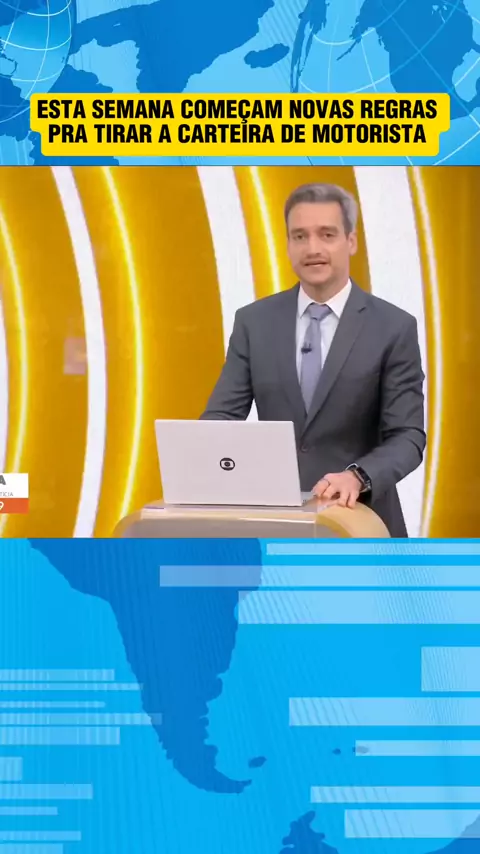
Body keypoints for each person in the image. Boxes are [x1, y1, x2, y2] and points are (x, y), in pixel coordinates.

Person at [200, 182, 426, 537]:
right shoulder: (253, 322)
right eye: (300, 236)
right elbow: (221, 418)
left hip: (361, 524)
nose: (313, 248)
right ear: (288, 244)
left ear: (351, 241)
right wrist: (205, 462)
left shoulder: (393, 327)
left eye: (327, 234)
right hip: (274, 526)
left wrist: (359, 476)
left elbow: (407, 436)